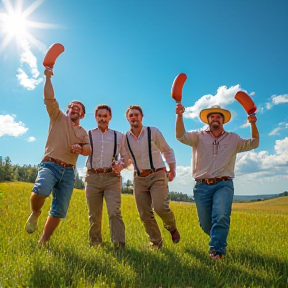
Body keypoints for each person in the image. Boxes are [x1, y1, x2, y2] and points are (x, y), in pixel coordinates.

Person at [175, 103, 259, 259]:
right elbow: (180, 136)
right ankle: (217, 238)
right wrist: (179, 115)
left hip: (224, 184)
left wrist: (253, 124)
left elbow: (254, 142)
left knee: (220, 216)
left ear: (223, 121)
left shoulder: (233, 138)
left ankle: (217, 252)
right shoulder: (198, 136)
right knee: (206, 225)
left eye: (218, 116)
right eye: (212, 116)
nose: (215, 118)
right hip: (201, 186)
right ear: (208, 120)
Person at [25, 68, 91, 246]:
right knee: (40, 190)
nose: (73, 108)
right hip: (50, 165)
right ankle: (36, 212)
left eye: (78, 108)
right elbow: (49, 98)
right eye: (71, 106)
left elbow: (88, 149)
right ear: (67, 109)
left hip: (68, 172)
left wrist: (80, 148)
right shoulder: (57, 117)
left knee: (59, 210)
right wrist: (47, 77)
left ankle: (43, 242)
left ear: (82, 114)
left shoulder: (84, 132)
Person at [124, 105, 180, 249]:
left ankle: (171, 227)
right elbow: (125, 158)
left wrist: (172, 169)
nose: (134, 117)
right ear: (127, 118)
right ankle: (156, 243)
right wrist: (119, 164)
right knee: (144, 214)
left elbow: (166, 150)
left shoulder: (153, 132)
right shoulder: (125, 138)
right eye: (131, 115)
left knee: (160, 207)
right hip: (139, 178)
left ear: (141, 117)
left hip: (158, 175)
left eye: (136, 114)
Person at [84, 104, 126, 249]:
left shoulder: (118, 135)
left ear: (110, 117)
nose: (102, 119)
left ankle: (119, 245)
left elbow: (126, 156)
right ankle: (95, 244)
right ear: (96, 117)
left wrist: (121, 165)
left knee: (114, 212)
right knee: (94, 215)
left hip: (112, 178)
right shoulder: (87, 134)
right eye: (100, 116)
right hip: (92, 177)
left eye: (105, 116)